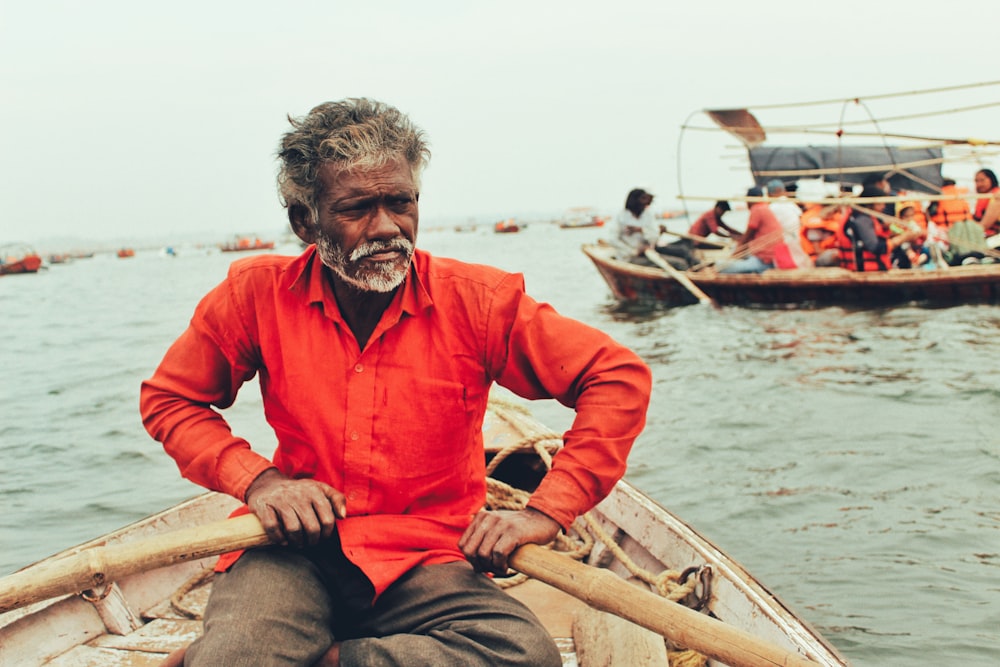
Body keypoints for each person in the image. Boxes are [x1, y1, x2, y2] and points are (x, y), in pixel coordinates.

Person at [140, 98, 652, 667]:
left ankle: (320, 657)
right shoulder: (255, 295)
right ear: (305, 223)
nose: (386, 227)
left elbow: (617, 378)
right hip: (292, 545)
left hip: (426, 556)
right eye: (357, 208)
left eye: (400, 202)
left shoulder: (477, 302)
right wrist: (260, 483)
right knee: (239, 657)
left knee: (525, 658)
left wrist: (544, 512)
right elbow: (172, 399)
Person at [836, 187, 922, 271]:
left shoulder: (866, 218)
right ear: (871, 203)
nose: (883, 207)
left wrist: (897, 234)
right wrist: (903, 238)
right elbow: (876, 247)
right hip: (865, 272)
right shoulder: (862, 220)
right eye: (881, 203)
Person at [613, 188, 694, 269]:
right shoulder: (621, 217)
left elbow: (655, 236)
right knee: (680, 264)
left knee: (683, 253)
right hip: (629, 258)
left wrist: (641, 230)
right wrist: (634, 252)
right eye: (643, 199)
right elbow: (612, 240)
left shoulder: (647, 215)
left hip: (649, 253)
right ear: (634, 200)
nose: (646, 203)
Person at [717, 187, 786, 274]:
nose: (746, 203)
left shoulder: (757, 209)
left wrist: (732, 257)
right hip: (771, 258)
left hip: (765, 261)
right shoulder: (765, 207)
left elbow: (746, 238)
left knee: (721, 267)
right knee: (734, 255)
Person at [766, 180, 812, 268]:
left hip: (788, 242)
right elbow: (800, 218)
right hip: (800, 239)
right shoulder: (790, 203)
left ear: (770, 194)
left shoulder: (772, 207)